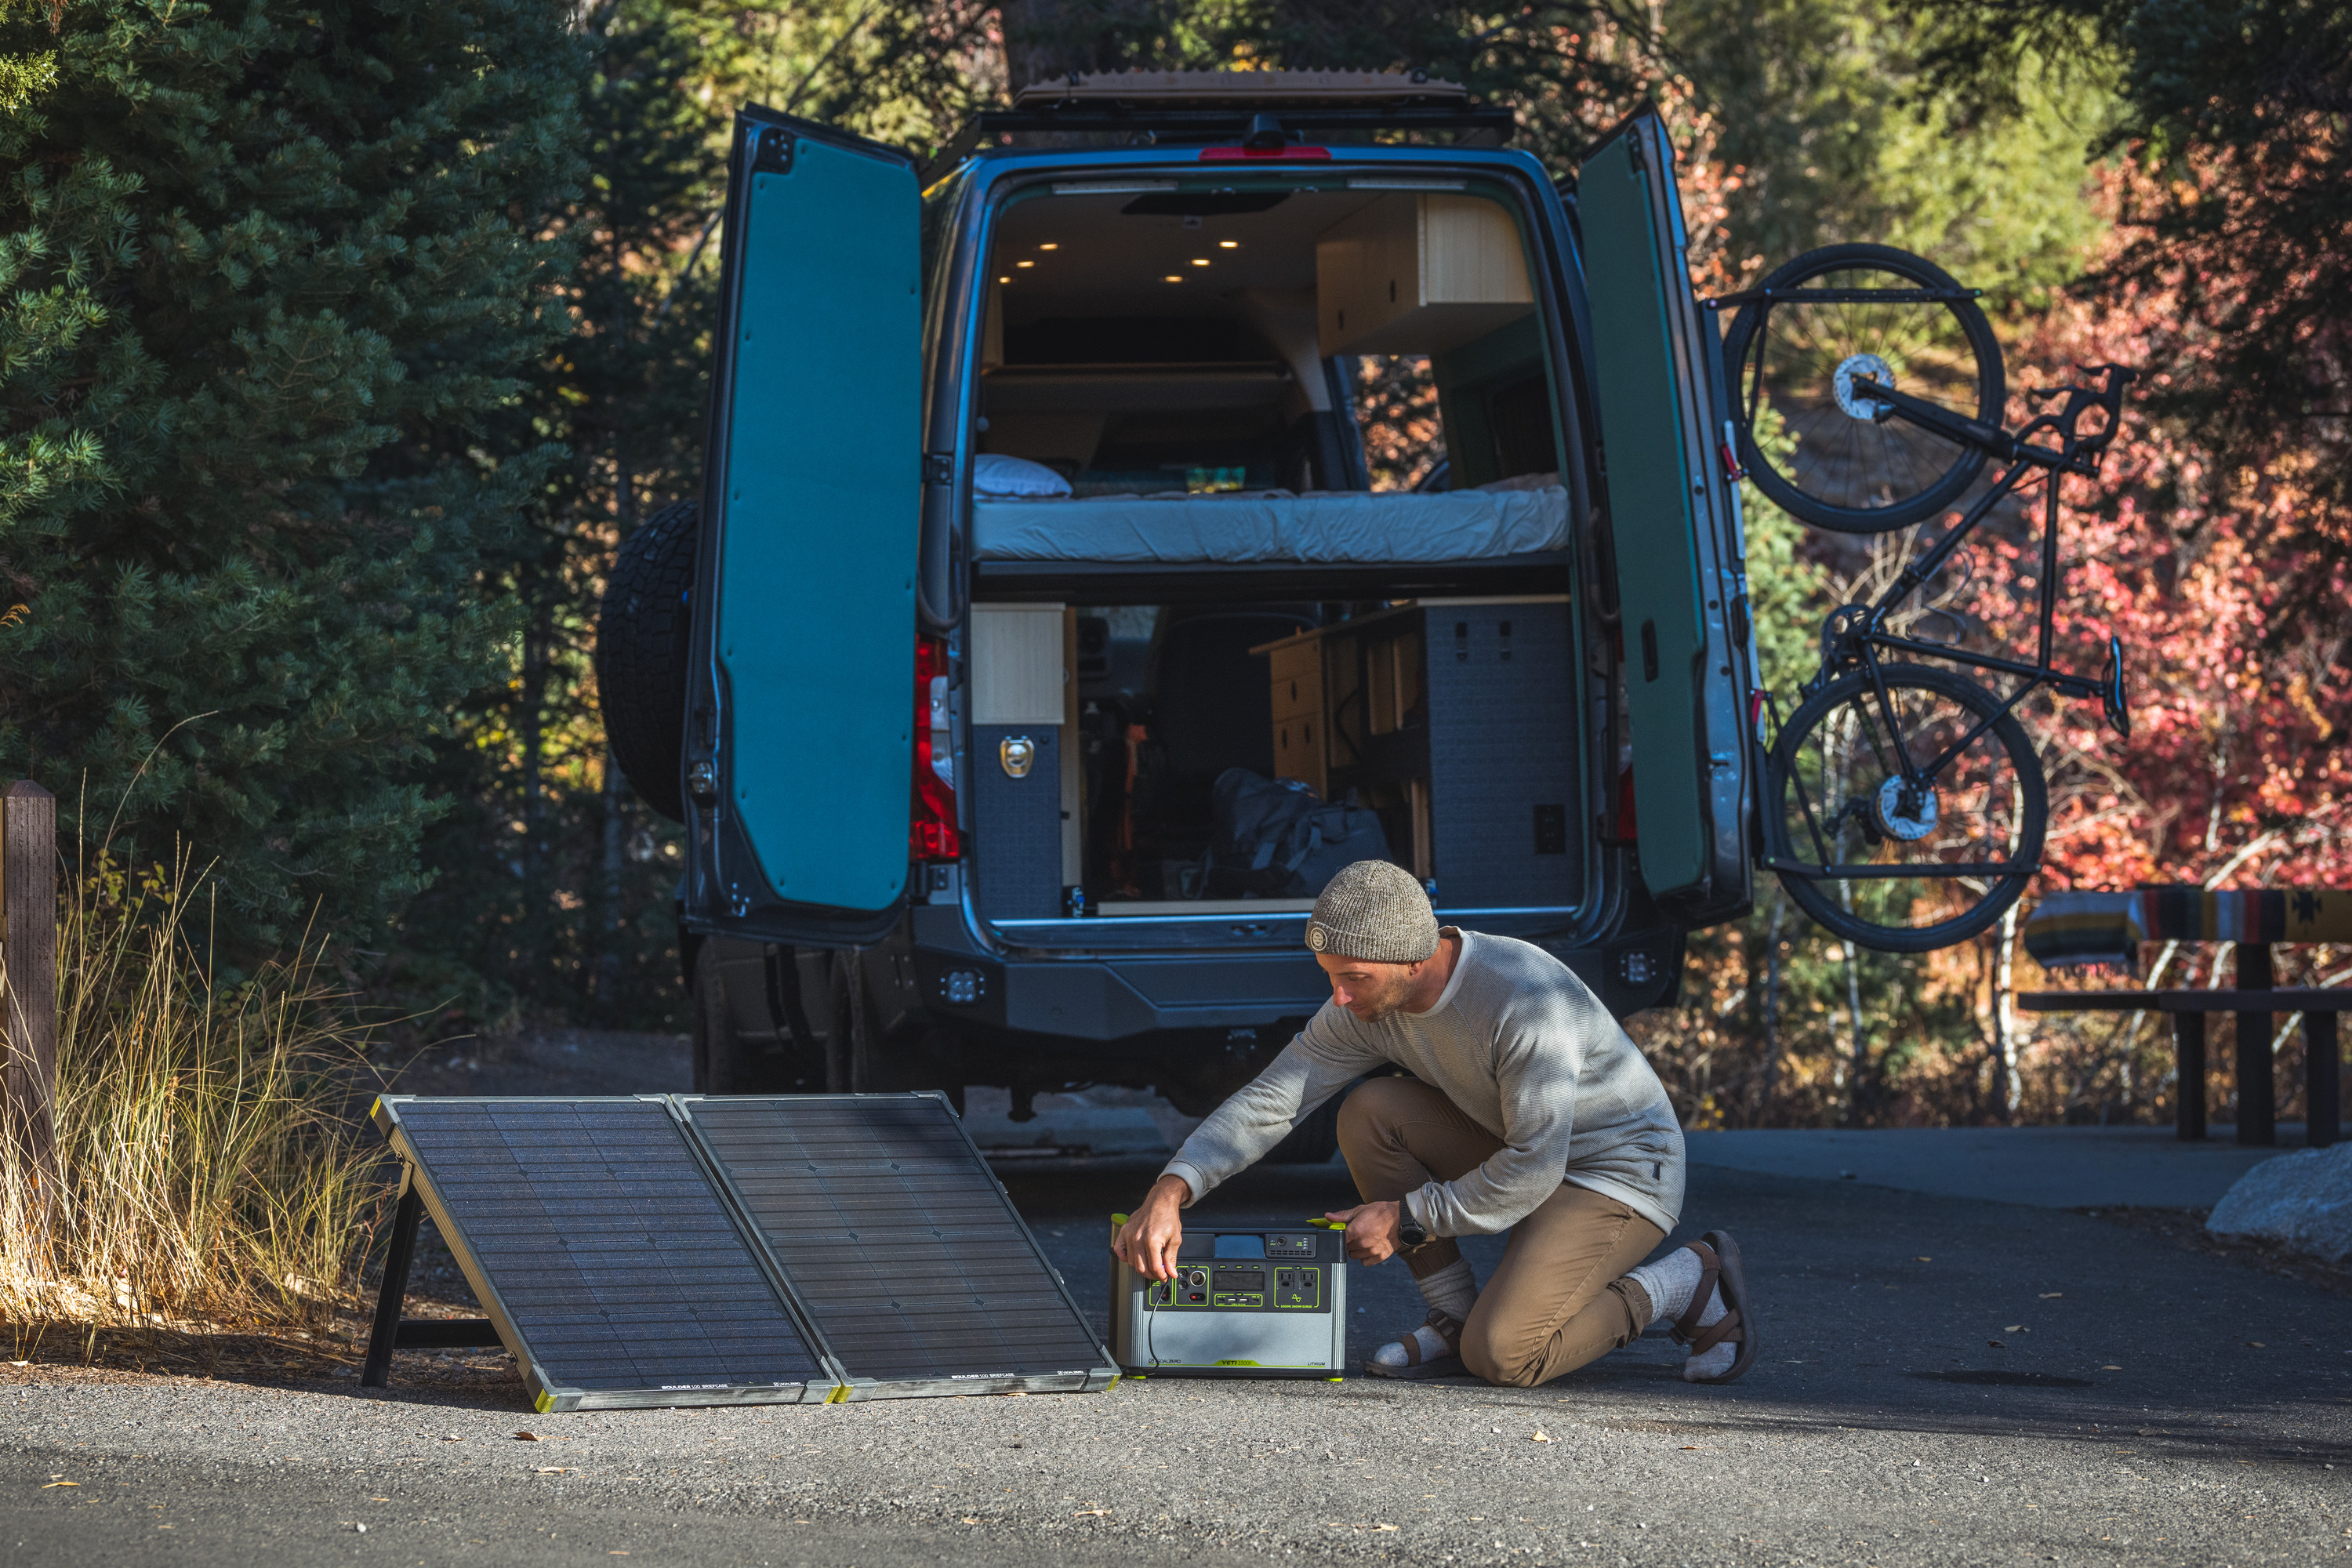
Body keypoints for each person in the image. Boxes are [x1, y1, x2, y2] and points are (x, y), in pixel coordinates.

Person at [1111, 859, 1757, 1386]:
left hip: (1617, 1172)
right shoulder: (1367, 1003)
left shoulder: (1522, 1001)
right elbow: (1273, 1099)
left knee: (1506, 1355)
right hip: (1524, 1149)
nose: (1338, 997)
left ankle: (1685, 1284)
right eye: (1331, 978)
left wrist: (1405, 1217)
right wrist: (1172, 1190)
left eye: (1353, 979)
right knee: (1371, 1111)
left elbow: (1534, 1166)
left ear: (1415, 960)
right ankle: (1453, 1316)